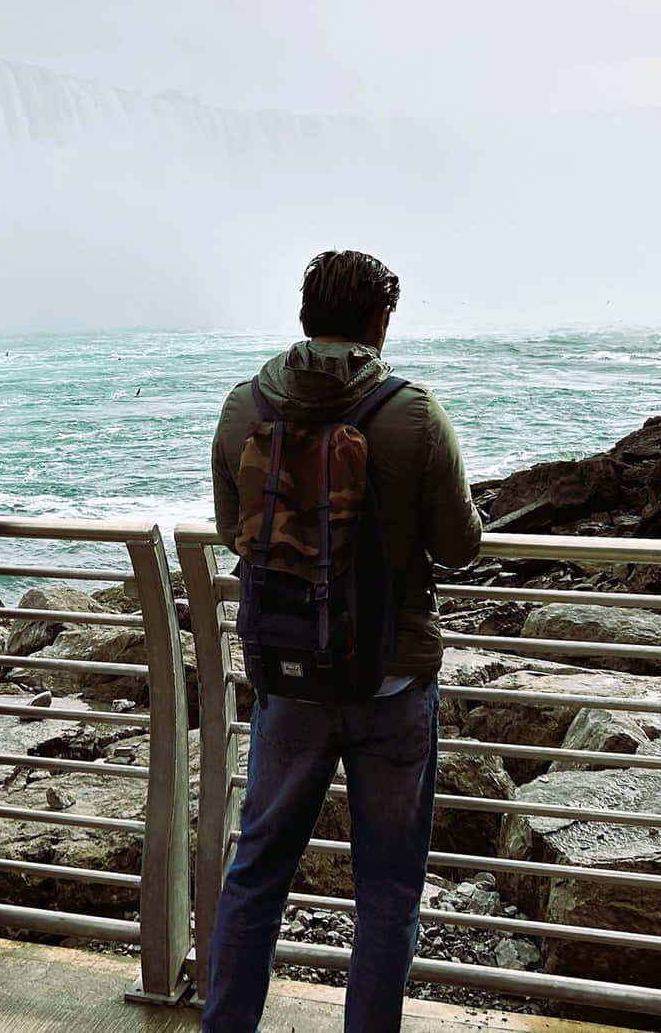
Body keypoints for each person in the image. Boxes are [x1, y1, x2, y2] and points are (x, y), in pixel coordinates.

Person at [203, 251, 483, 1033]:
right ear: (379, 322)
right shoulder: (414, 413)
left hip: (287, 673)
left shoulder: (242, 406)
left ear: (303, 316)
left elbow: (235, 532)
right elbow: (460, 544)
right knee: (387, 889)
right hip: (391, 680)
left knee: (256, 872)